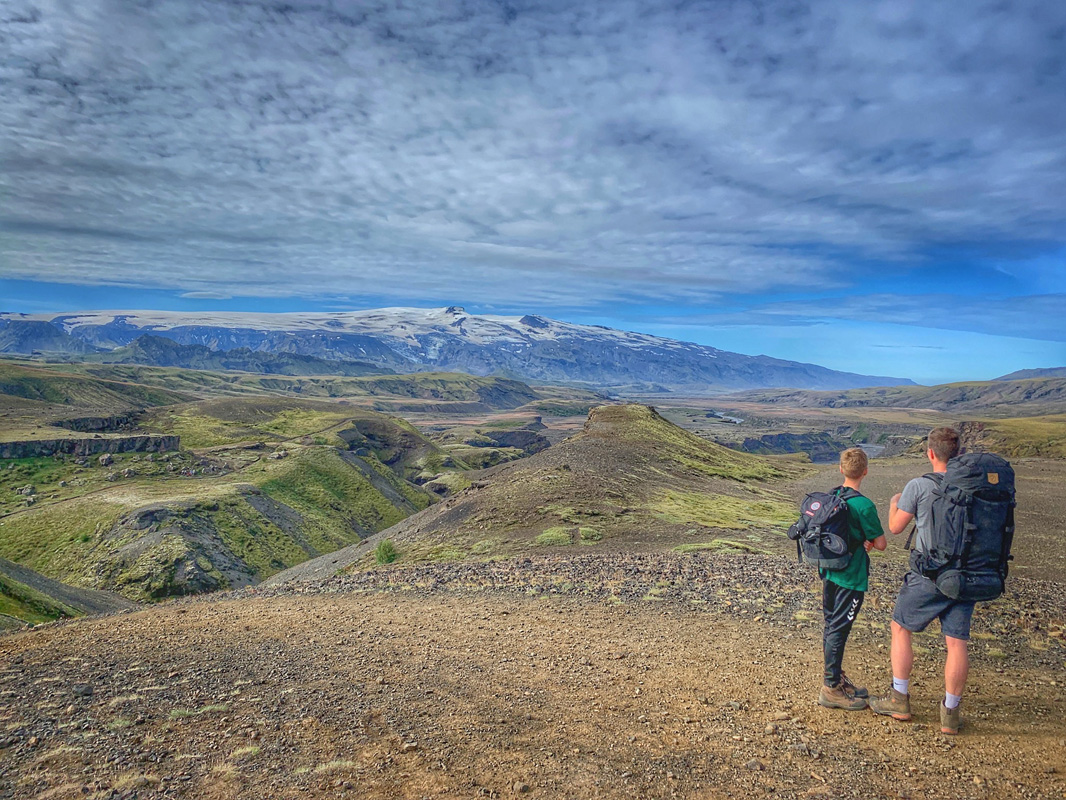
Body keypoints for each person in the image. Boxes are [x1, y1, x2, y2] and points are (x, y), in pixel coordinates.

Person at [869, 427, 969, 735]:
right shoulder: (973, 487)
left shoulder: (919, 485)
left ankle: (899, 698)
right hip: (966, 576)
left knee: (900, 627)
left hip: (930, 575)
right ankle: (950, 715)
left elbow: (896, 527)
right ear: (958, 455)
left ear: (930, 453)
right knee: (956, 642)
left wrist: (893, 503)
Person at [818, 447, 887, 710]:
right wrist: (867, 539)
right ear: (865, 471)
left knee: (831, 624)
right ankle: (831, 687)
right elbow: (881, 544)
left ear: (841, 470)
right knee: (840, 628)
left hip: (829, 571)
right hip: (851, 576)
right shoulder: (864, 505)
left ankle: (835, 677)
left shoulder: (833, 496)